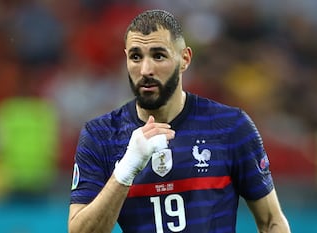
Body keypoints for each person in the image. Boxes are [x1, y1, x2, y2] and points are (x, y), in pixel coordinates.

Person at [68, 9, 291, 233]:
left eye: (158, 56)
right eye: (136, 56)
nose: (146, 70)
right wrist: (126, 170)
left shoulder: (230, 126)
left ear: (184, 59)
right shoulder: (101, 135)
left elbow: (272, 221)